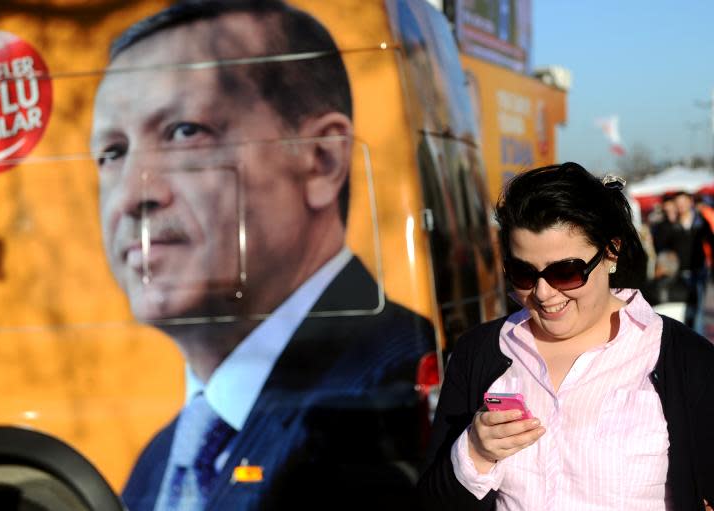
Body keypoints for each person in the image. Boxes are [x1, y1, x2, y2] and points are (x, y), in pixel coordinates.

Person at [90, 1, 433, 510]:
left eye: (185, 132)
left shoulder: (375, 402)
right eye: (113, 152)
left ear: (321, 160)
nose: (131, 196)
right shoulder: (160, 459)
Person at [418, 162, 714, 510]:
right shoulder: (478, 353)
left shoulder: (685, 359)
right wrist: (475, 453)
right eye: (523, 273)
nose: (543, 293)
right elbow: (433, 501)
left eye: (566, 272)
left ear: (610, 252)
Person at [671, 191, 714, 334]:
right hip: (679, 273)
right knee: (684, 308)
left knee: (699, 307)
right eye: (678, 203)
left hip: (698, 271)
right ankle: (685, 335)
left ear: (690, 202)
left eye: (684, 202)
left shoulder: (700, 222)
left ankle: (697, 337)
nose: (681, 206)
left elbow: (711, 241)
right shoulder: (672, 224)